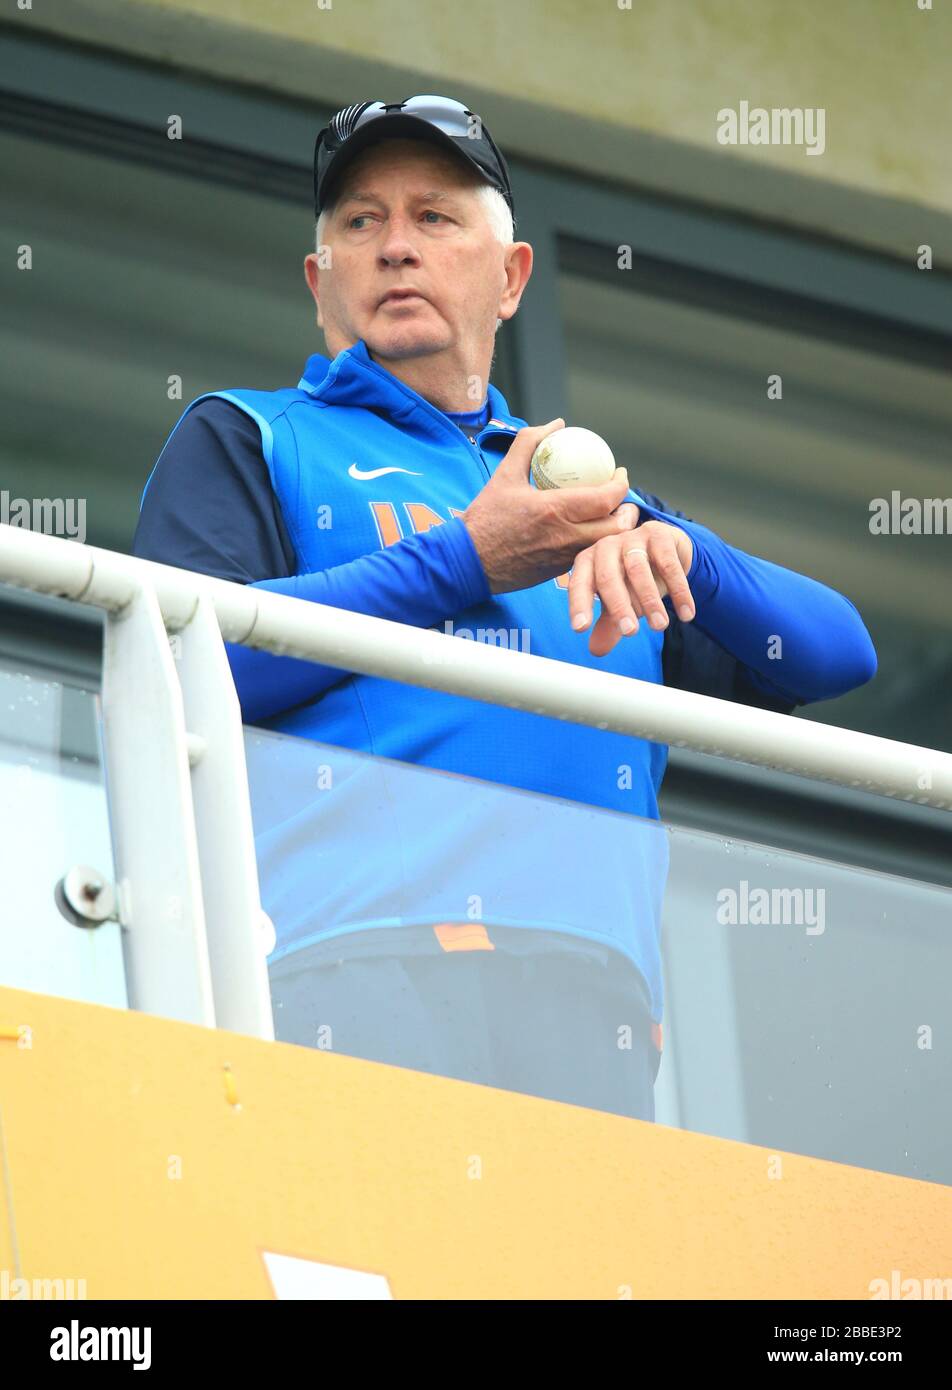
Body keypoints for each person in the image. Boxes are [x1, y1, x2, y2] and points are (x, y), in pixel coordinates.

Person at [133, 95, 877, 1122]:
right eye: (360, 222)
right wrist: (467, 558)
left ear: (511, 275)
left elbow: (837, 654)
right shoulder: (248, 436)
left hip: (592, 1001)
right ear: (320, 283)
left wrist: (692, 559)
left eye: (434, 217)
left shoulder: (583, 499)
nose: (395, 247)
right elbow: (185, 677)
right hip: (348, 969)